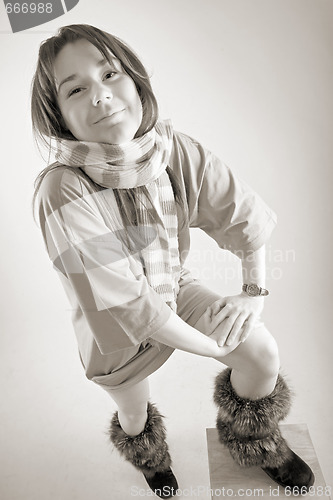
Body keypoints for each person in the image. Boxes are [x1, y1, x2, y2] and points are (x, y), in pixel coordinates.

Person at [31, 24, 314, 499]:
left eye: (110, 74)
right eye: (76, 88)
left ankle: (256, 441)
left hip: (172, 284)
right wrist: (210, 347)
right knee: (134, 412)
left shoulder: (171, 150)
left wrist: (253, 295)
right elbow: (125, 302)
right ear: (58, 116)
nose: (100, 96)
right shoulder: (60, 190)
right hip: (111, 327)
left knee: (261, 354)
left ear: (136, 81)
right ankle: (151, 459)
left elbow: (241, 213)